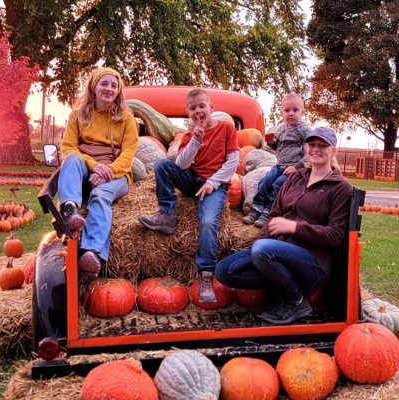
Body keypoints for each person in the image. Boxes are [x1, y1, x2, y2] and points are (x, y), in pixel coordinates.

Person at [216, 127, 353, 324]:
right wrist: (256, 245)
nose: (316, 149)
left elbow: (335, 235)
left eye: (323, 145)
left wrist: (294, 227)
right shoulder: (296, 178)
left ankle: (297, 302)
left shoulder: (340, 187)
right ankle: (285, 287)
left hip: (312, 261)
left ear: (334, 151)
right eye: (312, 144)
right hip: (278, 252)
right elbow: (274, 215)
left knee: (263, 250)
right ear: (305, 148)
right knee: (225, 270)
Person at [138, 89, 239, 303]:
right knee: (161, 165)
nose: (198, 111)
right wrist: (196, 141)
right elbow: (182, 165)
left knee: (209, 222)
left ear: (211, 108)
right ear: (188, 114)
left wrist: (213, 182)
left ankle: (205, 276)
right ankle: (167, 215)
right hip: (192, 180)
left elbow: (232, 162)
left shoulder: (227, 129)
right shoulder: (188, 136)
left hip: (216, 184)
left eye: (202, 106)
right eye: (193, 108)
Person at [58, 67, 139, 278]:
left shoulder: (126, 118)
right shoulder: (78, 115)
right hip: (87, 167)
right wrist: (93, 166)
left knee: (100, 195)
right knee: (73, 158)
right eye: (104, 83)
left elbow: (129, 153)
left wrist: (107, 172)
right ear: (93, 87)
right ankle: (69, 210)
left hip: (116, 173)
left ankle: (92, 252)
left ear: (119, 90)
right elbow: (68, 148)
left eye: (114, 85)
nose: (109, 89)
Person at [242, 93, 312, 228]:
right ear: (282, 112)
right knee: (265, 181)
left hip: (295, 169)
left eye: (295, 110)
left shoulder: (304, 130)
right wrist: (271, 143)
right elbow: (278, 148)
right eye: (287, 110)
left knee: (278, 185)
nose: (291, 114)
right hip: (279, 165)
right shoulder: (281, 128)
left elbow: (309, 153)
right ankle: (256, 209)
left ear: (302, 112)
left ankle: (268, 212)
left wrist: (296, 167)